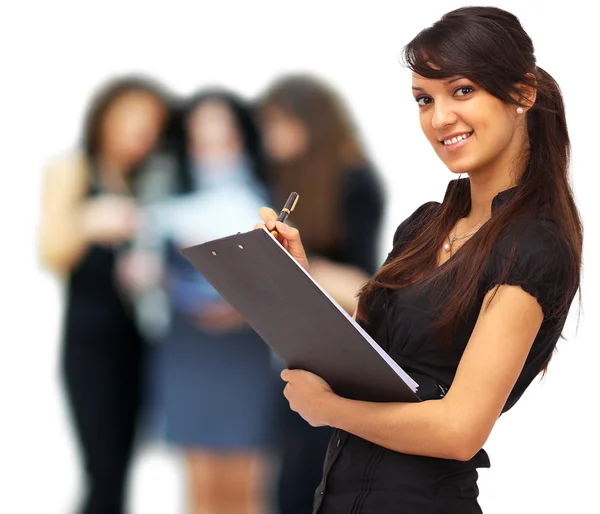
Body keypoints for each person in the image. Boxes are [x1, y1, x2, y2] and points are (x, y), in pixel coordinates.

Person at [255, 6, 582, 513]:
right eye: (424, 99)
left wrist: (330, 410)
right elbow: (366, 362)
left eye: (463, 90)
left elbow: (458, 431)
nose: (439, 117)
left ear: (522, 94)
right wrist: (298, 277)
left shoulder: (533, 246)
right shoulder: (425, 226)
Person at [38, 76, 173, 514]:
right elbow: (50, 250)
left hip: (140, 340)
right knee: (103, 470)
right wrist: (89, 221)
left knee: (124, 466)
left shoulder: (149, 178)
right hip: (90, 342)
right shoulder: (74, 169)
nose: (143, 132)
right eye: (133, 118)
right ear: (105, 117)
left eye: (153, 124)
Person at [143, 89, 280, 514]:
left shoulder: (270, 195)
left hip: (244, 349)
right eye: (200, 127)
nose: (211, 136)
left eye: (221, 125)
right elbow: (149, 277)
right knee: (199, 486)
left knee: (247, 485)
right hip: (189, 348)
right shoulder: (163, 199)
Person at [257, 74, 385, 513]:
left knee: (317, 484)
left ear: (312, 122)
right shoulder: (284, 178)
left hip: (338, 352)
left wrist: (297, 265)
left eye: (281, 125)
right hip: (293, 351)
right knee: (288, 486)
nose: (271, 137)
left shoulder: (354, 180)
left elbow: (365, 287)